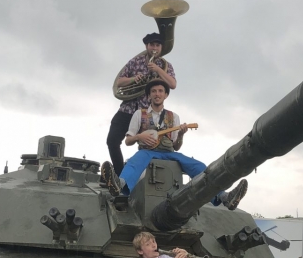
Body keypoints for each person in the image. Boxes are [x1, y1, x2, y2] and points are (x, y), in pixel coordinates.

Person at [102, 80, 248, 211]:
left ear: (166, 95)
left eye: (160, 91)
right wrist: (140, 136)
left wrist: (181, 135)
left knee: (198, 166)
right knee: (135, 161)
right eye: (153, 91)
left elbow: (176, 146)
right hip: (147, 151)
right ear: (148, 96)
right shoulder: (140, 114)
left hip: (169, 153)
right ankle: (118, 184)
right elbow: (128, 141)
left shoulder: (174, 117)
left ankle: (224, 197)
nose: (157, 94)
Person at [107, 32, 176, 176]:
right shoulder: (135, 62)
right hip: (128, 109)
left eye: (157, 45)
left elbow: (172, 84)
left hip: (148, 113)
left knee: (152, 147)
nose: (154, 48)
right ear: (147, 46)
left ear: (161, 47)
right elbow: (119, 82)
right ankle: (120, 176)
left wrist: (157, 70)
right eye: (152, 45)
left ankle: (147, 179)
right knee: (112, 140)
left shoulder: (166, 66)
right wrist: (133, 79)